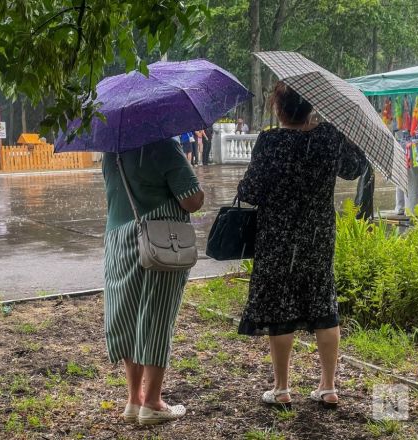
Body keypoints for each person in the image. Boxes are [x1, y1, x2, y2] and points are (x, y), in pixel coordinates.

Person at [236, 81, 367, 408]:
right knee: (324, 303)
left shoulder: (270, 142)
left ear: (279, 109)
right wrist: (339, 129)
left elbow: (249, 192)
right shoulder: (329, 138)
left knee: (281, 306)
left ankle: (281, 389)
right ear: (311, 108)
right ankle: (328, 386)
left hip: (277, 236)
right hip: (317, 236)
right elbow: (356, 168)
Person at [102, 139, 204, 425]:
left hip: (118, 240)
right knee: (157, 317)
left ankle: (134, 399)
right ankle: (153, 403)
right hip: (159, 241)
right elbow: (192, 200)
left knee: (129, 318)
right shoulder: (162, 146)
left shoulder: (112, 151)